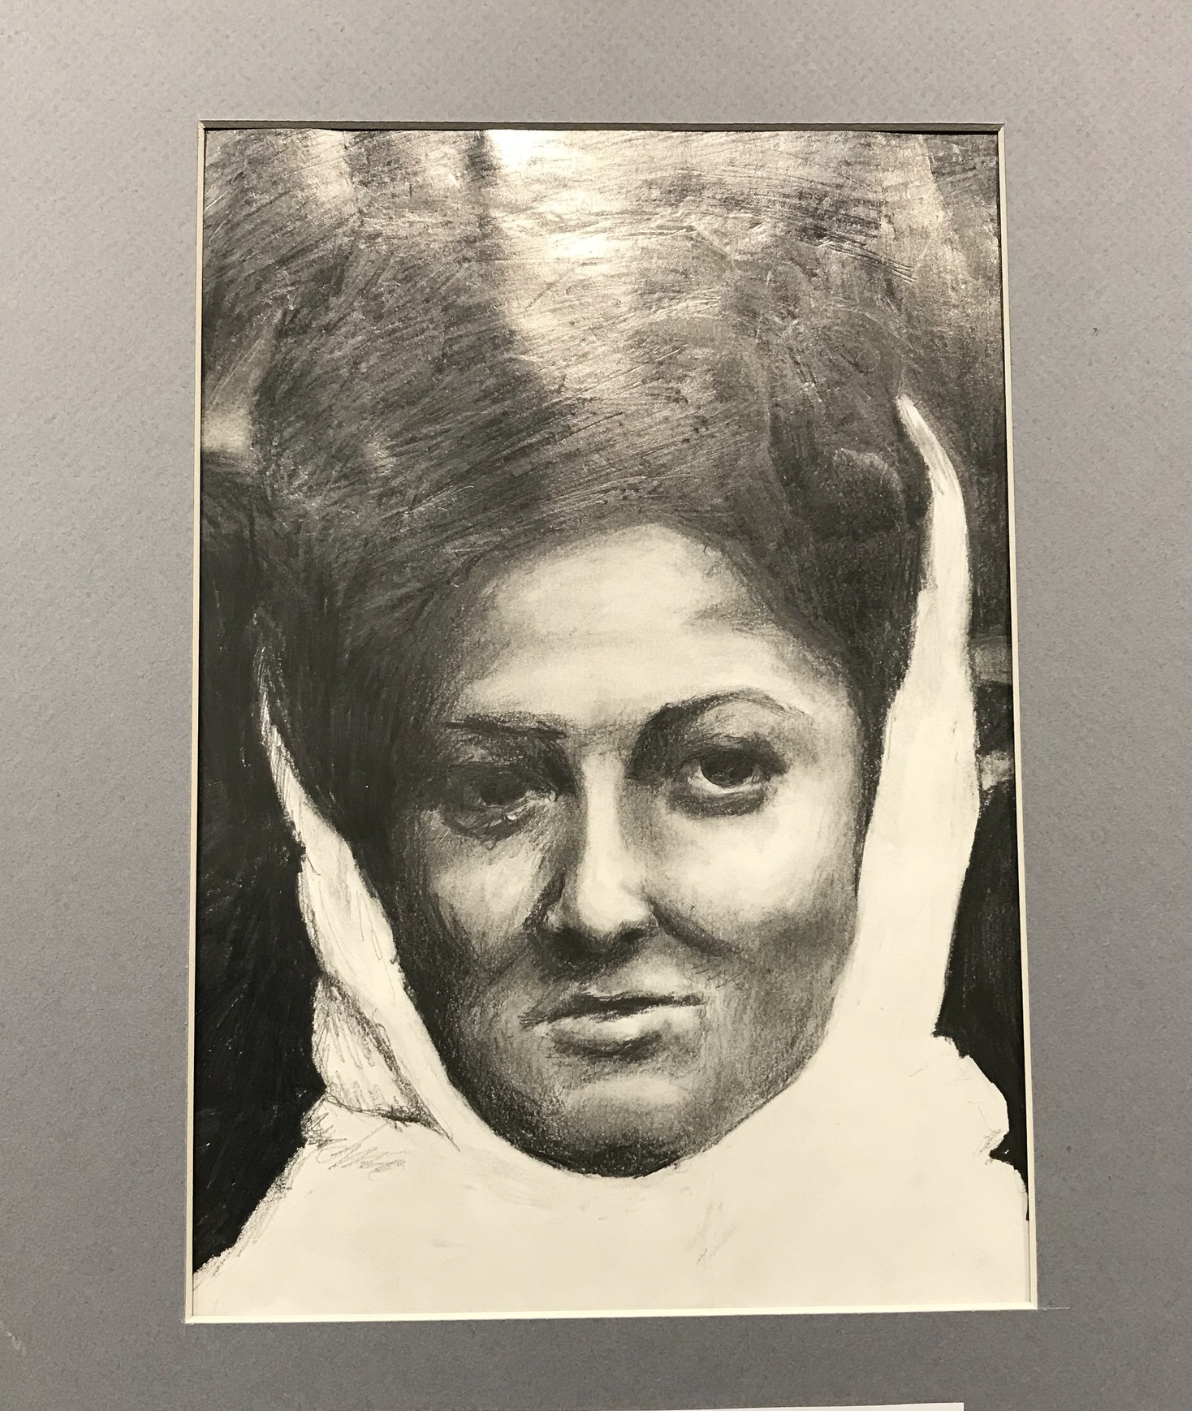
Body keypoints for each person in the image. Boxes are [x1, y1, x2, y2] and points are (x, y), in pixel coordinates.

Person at [191, 129, 1031, 1317]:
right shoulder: (255, 1329)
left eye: (721, 768)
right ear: (356, 836)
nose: (596, 905)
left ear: (904, 780)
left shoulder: (1055, 1324)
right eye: (494, 792)